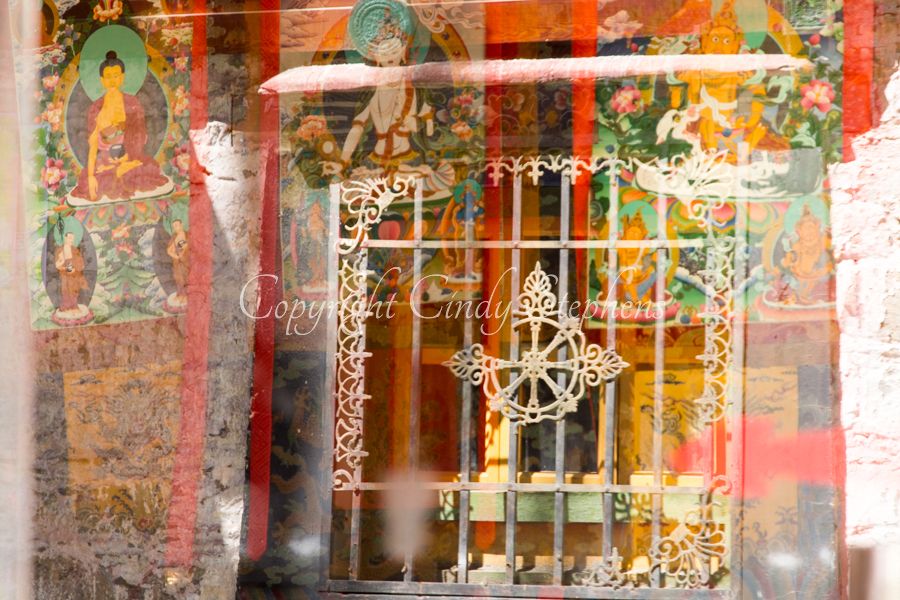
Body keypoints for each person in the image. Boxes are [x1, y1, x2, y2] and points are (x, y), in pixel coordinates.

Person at [71, 50, 170, 202]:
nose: (112, 80)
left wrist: (127, 159)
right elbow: (93, 147)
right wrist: (91, 176)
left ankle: (123, 171)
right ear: (102, 80)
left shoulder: (132, 103)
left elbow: (138, 136)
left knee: (146, 172)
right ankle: (115, 173)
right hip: (105, 163)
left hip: (129, 158)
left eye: (116, 75)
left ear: (122, 77)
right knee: (89, 183)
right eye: (108, 77)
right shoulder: (96, 108)